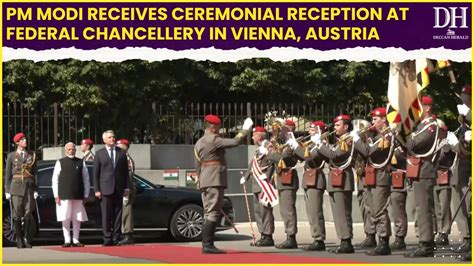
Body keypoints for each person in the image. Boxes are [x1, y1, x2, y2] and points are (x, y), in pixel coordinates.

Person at [194, 115, 253, 254]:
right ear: (212, 127)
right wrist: (244, 130)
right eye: (219, 126)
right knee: (213, 212)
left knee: (207, 212)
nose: (220, 129)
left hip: (205, 180)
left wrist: (200, 179)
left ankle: (206, 243)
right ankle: (208, 244)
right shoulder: (213, 139)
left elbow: (197, 164)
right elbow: (235, 142)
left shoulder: (199, 142)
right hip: (215, 179)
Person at [312, 114, 356, 253]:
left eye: (338, 125)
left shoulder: (347, 140)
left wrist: (319, 144)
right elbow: (330, 156)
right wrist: (322, 146)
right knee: (339, 212)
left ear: (346, 126)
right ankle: (344, 240)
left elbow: (335, 155)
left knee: (342, 212)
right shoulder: (340, 140)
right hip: (336, 178)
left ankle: (346, 242)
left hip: (342, 180)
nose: (335, 128)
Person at [353, 107, 394, 256]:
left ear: (384, 119)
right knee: (371, 209)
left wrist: (358, 140)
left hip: (381, 176)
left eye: (376, 119)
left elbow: (369, 151)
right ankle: (377, 238)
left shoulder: (387, 136)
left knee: (379, 210)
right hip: (371, 175)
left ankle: (384, 242)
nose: (373, 122)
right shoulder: (377, 137)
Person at [404, 96, 440, 258]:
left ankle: (426, 244)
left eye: (418, 107)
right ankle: (426, 241)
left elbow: (413, 144)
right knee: (421, 207)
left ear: (427, 108)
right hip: (419, 170)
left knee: (423, 208)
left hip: (425, 170)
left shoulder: (431, 126)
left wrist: (407, 135)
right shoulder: (421, 126)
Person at [288, 121, 328, 251]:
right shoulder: (311, 144)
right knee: (311, 212)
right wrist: (292, 147)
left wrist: (295, 146)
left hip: (316, 179)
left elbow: (309, 158)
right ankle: (316, 237)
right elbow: (299, 157)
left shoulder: (321, 144)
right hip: (309, 179)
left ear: (318, 131)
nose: (309, 132)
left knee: (315, 211)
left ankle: (319, 239)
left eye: (312, 129)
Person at [266, 119, 300, 249]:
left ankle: (291, 237)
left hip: (288, 178)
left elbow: (284, 159)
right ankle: (289, 235)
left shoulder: (292, 144)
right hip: (281, 178)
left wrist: (270, 153)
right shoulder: (284, 143)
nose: (281, 131)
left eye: (284, 129)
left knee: (288, 209)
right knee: (284, 210)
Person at [93, 130, 130, 246]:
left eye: (113, 137)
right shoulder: (99, 154)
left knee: (118, 215)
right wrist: (97, 190)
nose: (112, 139)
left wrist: (127, 187)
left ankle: (116, 238)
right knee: (106, 215)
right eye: (109, 137)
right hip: (105, 189)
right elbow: (96, 174)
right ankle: (107, 238)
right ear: (104, 140)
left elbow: (125, 173)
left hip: (119, 189)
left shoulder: (122, 153)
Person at [241, 126, 276, 247]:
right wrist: (245, 176)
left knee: (265, 211)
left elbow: (273, 163)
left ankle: (268, 235)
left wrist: (267, 176)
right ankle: (262, 234)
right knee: (258, 211)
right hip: (256, 184)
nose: (252, 137)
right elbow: (253, 164)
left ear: (259, 136)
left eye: (254, 134)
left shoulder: (269, 147)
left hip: (264, 184)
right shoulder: (258, 149)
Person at [448, 84, 472, 261]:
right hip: (462, 167)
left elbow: (467, 147)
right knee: (464, 208)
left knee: (469, 207)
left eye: (465, 96)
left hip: (468, 166)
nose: (462, 99)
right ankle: (468, 240)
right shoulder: (464, 119)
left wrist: (456, 144)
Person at [52, 142, 90, 247]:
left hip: (78, 194)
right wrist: (56, 195)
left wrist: (86, 194)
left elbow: (86, 179)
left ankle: (76, 240)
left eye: (73, 149)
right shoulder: (60, 162)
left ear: (75, 150)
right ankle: (67, 240)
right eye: (69, 149)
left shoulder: (81, 162)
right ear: (65, 150)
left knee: (77, 217)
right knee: (65, 217)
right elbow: (55, 179)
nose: (71, 150)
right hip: (64, 194)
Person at [5, 132, 38, 249]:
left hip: (28, 187)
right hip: (16, 187)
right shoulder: (11, 156)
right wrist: (7, 190)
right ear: (17, 142)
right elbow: (8, 174)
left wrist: (35, 189)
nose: (25, 141)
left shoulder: (31, 155)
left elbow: (35, 173)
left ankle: (26, 239)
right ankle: (19, 240)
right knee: (17, 214)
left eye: (25, 139)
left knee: (28, 214)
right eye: (22, 140)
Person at [433, 121, 455, 247]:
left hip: (443, 175)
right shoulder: (432, 142)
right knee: (436, 207)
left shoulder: (447, 141)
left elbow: (450, 159)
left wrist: (447, 150)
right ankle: (437, 231)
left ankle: (444, 232)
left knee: (444, 206)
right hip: (433, 175)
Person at [116, 139, 136, 245]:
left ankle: (127, 235)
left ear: (125, 147)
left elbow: (128, 176)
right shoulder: (122, 157)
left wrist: (126, 191)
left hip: (126, 189)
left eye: (119, 146)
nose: (117, 147)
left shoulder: (126, 158)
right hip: (124, 188)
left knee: (126, 212)